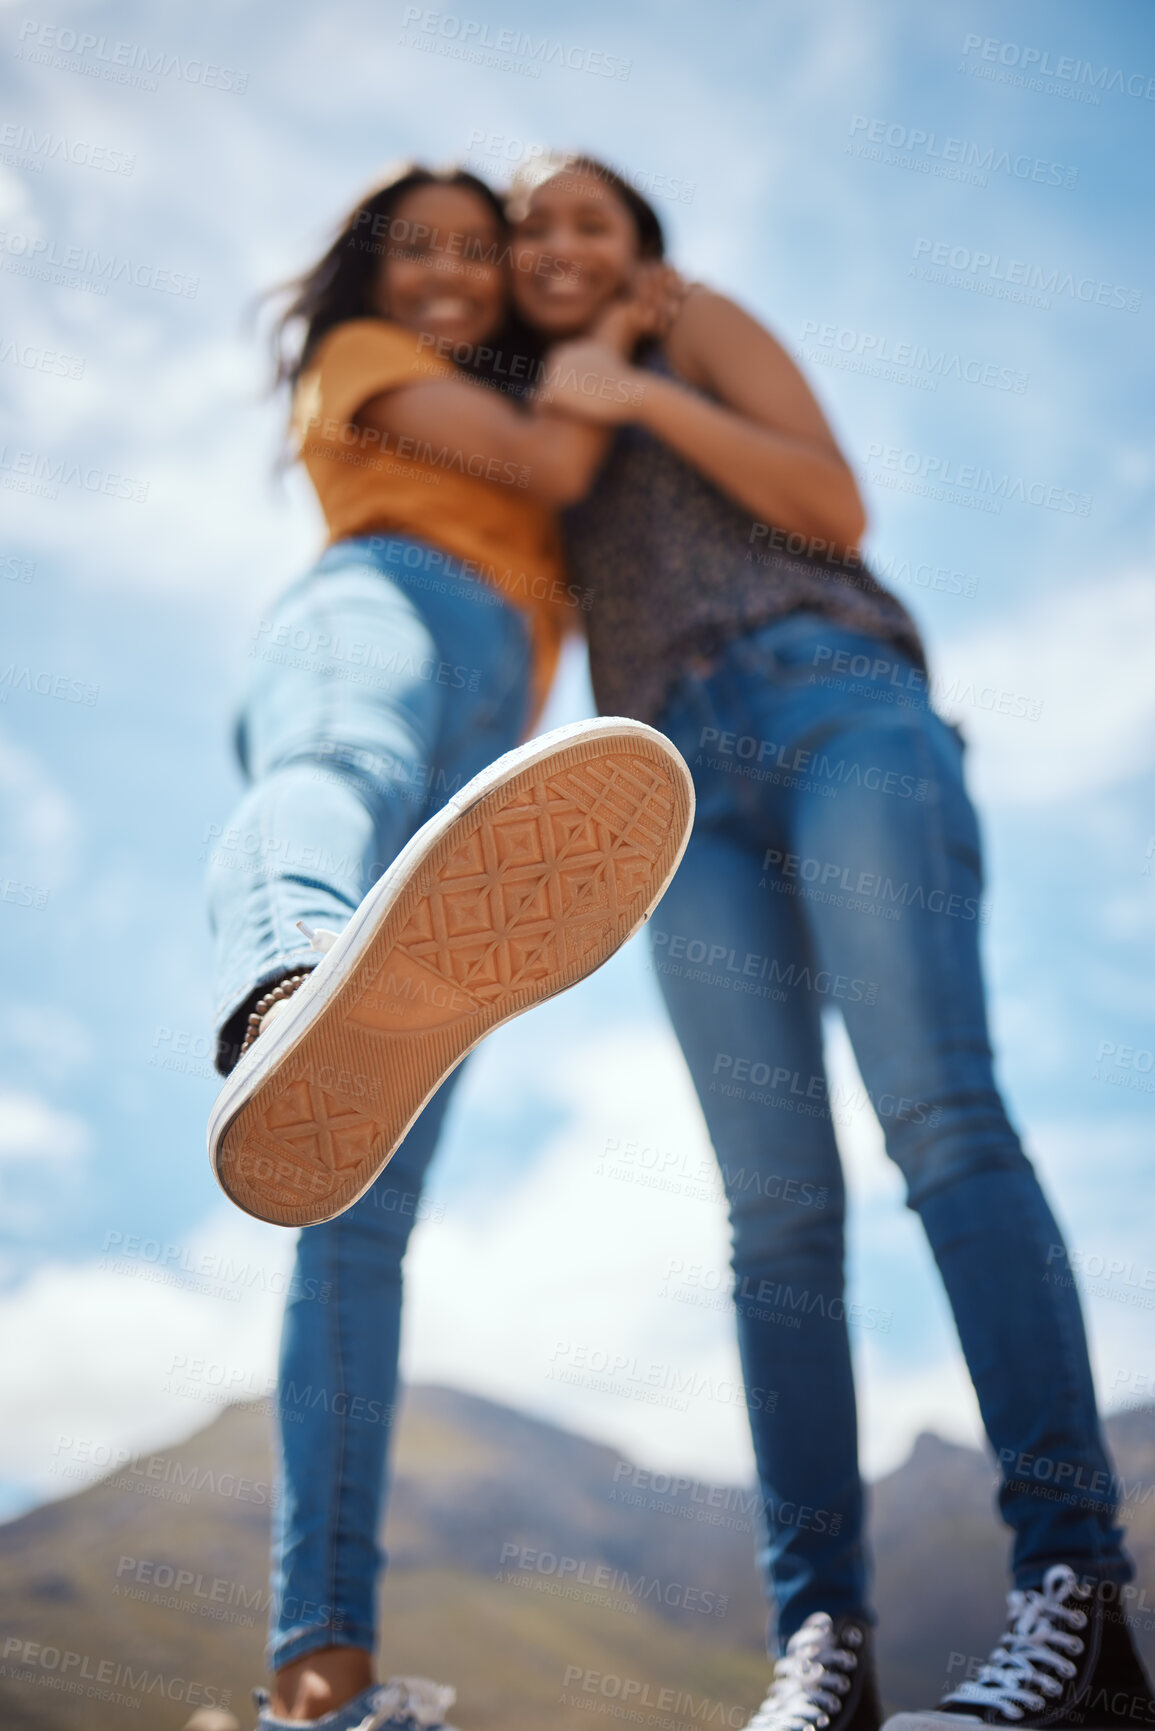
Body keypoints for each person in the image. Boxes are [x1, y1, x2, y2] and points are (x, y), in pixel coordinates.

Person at [509, 155, 1155, 1731]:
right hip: (665, 788)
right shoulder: (542, 425)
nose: (557, 242)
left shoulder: (694, 328)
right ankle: (824, 1652)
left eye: (591, 216)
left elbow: (834, 502)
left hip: (832, 698)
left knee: (942, 1118)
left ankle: (1075, 1600)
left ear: (642, 249)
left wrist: (643, 390)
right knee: (774, 1216)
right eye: (531, 226)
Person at [204, 163, 693, 1729]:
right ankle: (289, 983)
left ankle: (316, 1680)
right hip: (377, 607)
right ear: (365, 270)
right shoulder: (367, 370)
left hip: (491, 766)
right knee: (332, 765)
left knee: (353, 1216)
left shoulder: (490, 372)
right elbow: (554, 454)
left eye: (476, 257)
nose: (449, 277)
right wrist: (613, 338)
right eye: (414, 249)